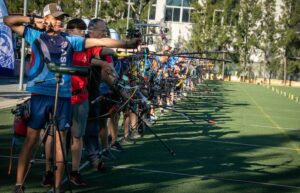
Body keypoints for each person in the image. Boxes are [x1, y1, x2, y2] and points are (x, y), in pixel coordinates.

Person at [4, 3, 139, 193]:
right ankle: (19, 185)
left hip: (64, 96)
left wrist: (127, 44)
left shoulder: (70, 40)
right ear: (47, 19)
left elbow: (101, 43)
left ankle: (58, 187)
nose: (60, 21)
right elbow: (7, 20)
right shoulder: (34, 35)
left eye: (62, 18)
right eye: (56, 17)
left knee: (60, 141)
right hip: (41, 94)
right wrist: (33, 21)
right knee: (31, 139)